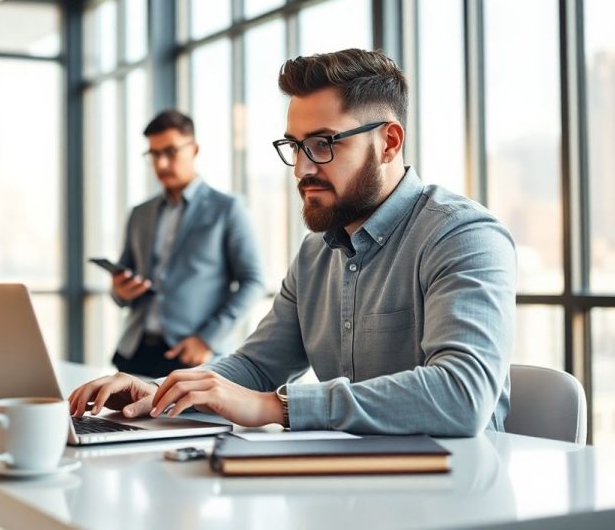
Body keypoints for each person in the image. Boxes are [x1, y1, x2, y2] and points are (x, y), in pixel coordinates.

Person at [72, 50, 516, 437]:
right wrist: (161, 390)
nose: (302, 168)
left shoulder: (462, 235)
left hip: (457, 490)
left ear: (388, 142)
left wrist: (277, 406)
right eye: (295, 146)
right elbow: (256, 366)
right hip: (348, 483)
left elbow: (463, 394)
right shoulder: (316, 252)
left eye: (323, 144)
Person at [106, 109, 265, 378]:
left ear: (194, 149)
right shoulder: (140, 213)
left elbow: (253, 281)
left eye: (170, 152)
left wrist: (208, 338)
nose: (162, 164)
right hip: (134, 352)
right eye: (154, 155)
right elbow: (122, 281)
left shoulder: (227, 209)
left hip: (192, 355)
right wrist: (120, 290)